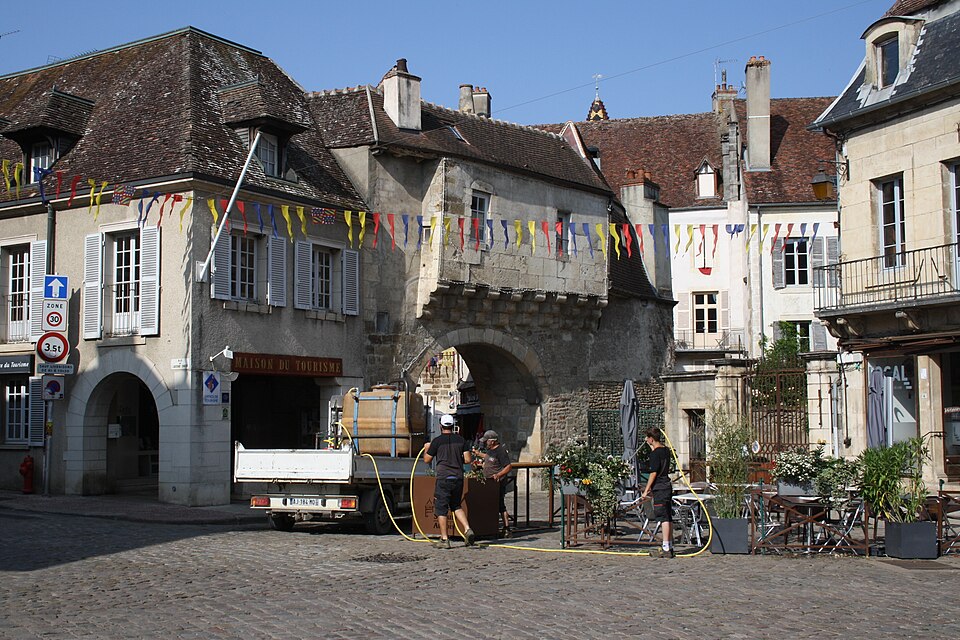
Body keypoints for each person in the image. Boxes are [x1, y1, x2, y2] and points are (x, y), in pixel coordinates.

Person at [423, 414, 475, 549]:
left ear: (441, 426)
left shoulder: (437, 441)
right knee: (456, 505)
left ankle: (444, 539)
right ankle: (467, 529)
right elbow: (468, 460)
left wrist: (427, 448)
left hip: (443, 478)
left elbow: (427, 460)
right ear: (453, 426)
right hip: (458, 477)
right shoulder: (461, 440)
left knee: (441, 508)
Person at [640, 426, 674, 558]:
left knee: (663, 517)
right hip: (667, 485)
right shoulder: (666, 450)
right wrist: (652, 446)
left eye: (647, 438)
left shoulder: (654, 454)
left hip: (659, 487)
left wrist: (646, 490)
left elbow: (653, 472)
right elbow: (659, 457)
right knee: (668, 516)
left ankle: (666, 548)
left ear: (651, 439)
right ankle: (669, 545)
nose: (646, 440)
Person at [478, 430, 513, 537]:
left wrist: (498, 475)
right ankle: (489, 526)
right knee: (490, 503)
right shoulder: (490, 451)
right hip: (488, 482)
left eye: (486, 441)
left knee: (500, 504)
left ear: (492, 441)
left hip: (497, 482)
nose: (485, 443)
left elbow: (508, 466)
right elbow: (489, 459)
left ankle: (507, 528)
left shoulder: (500, 451)